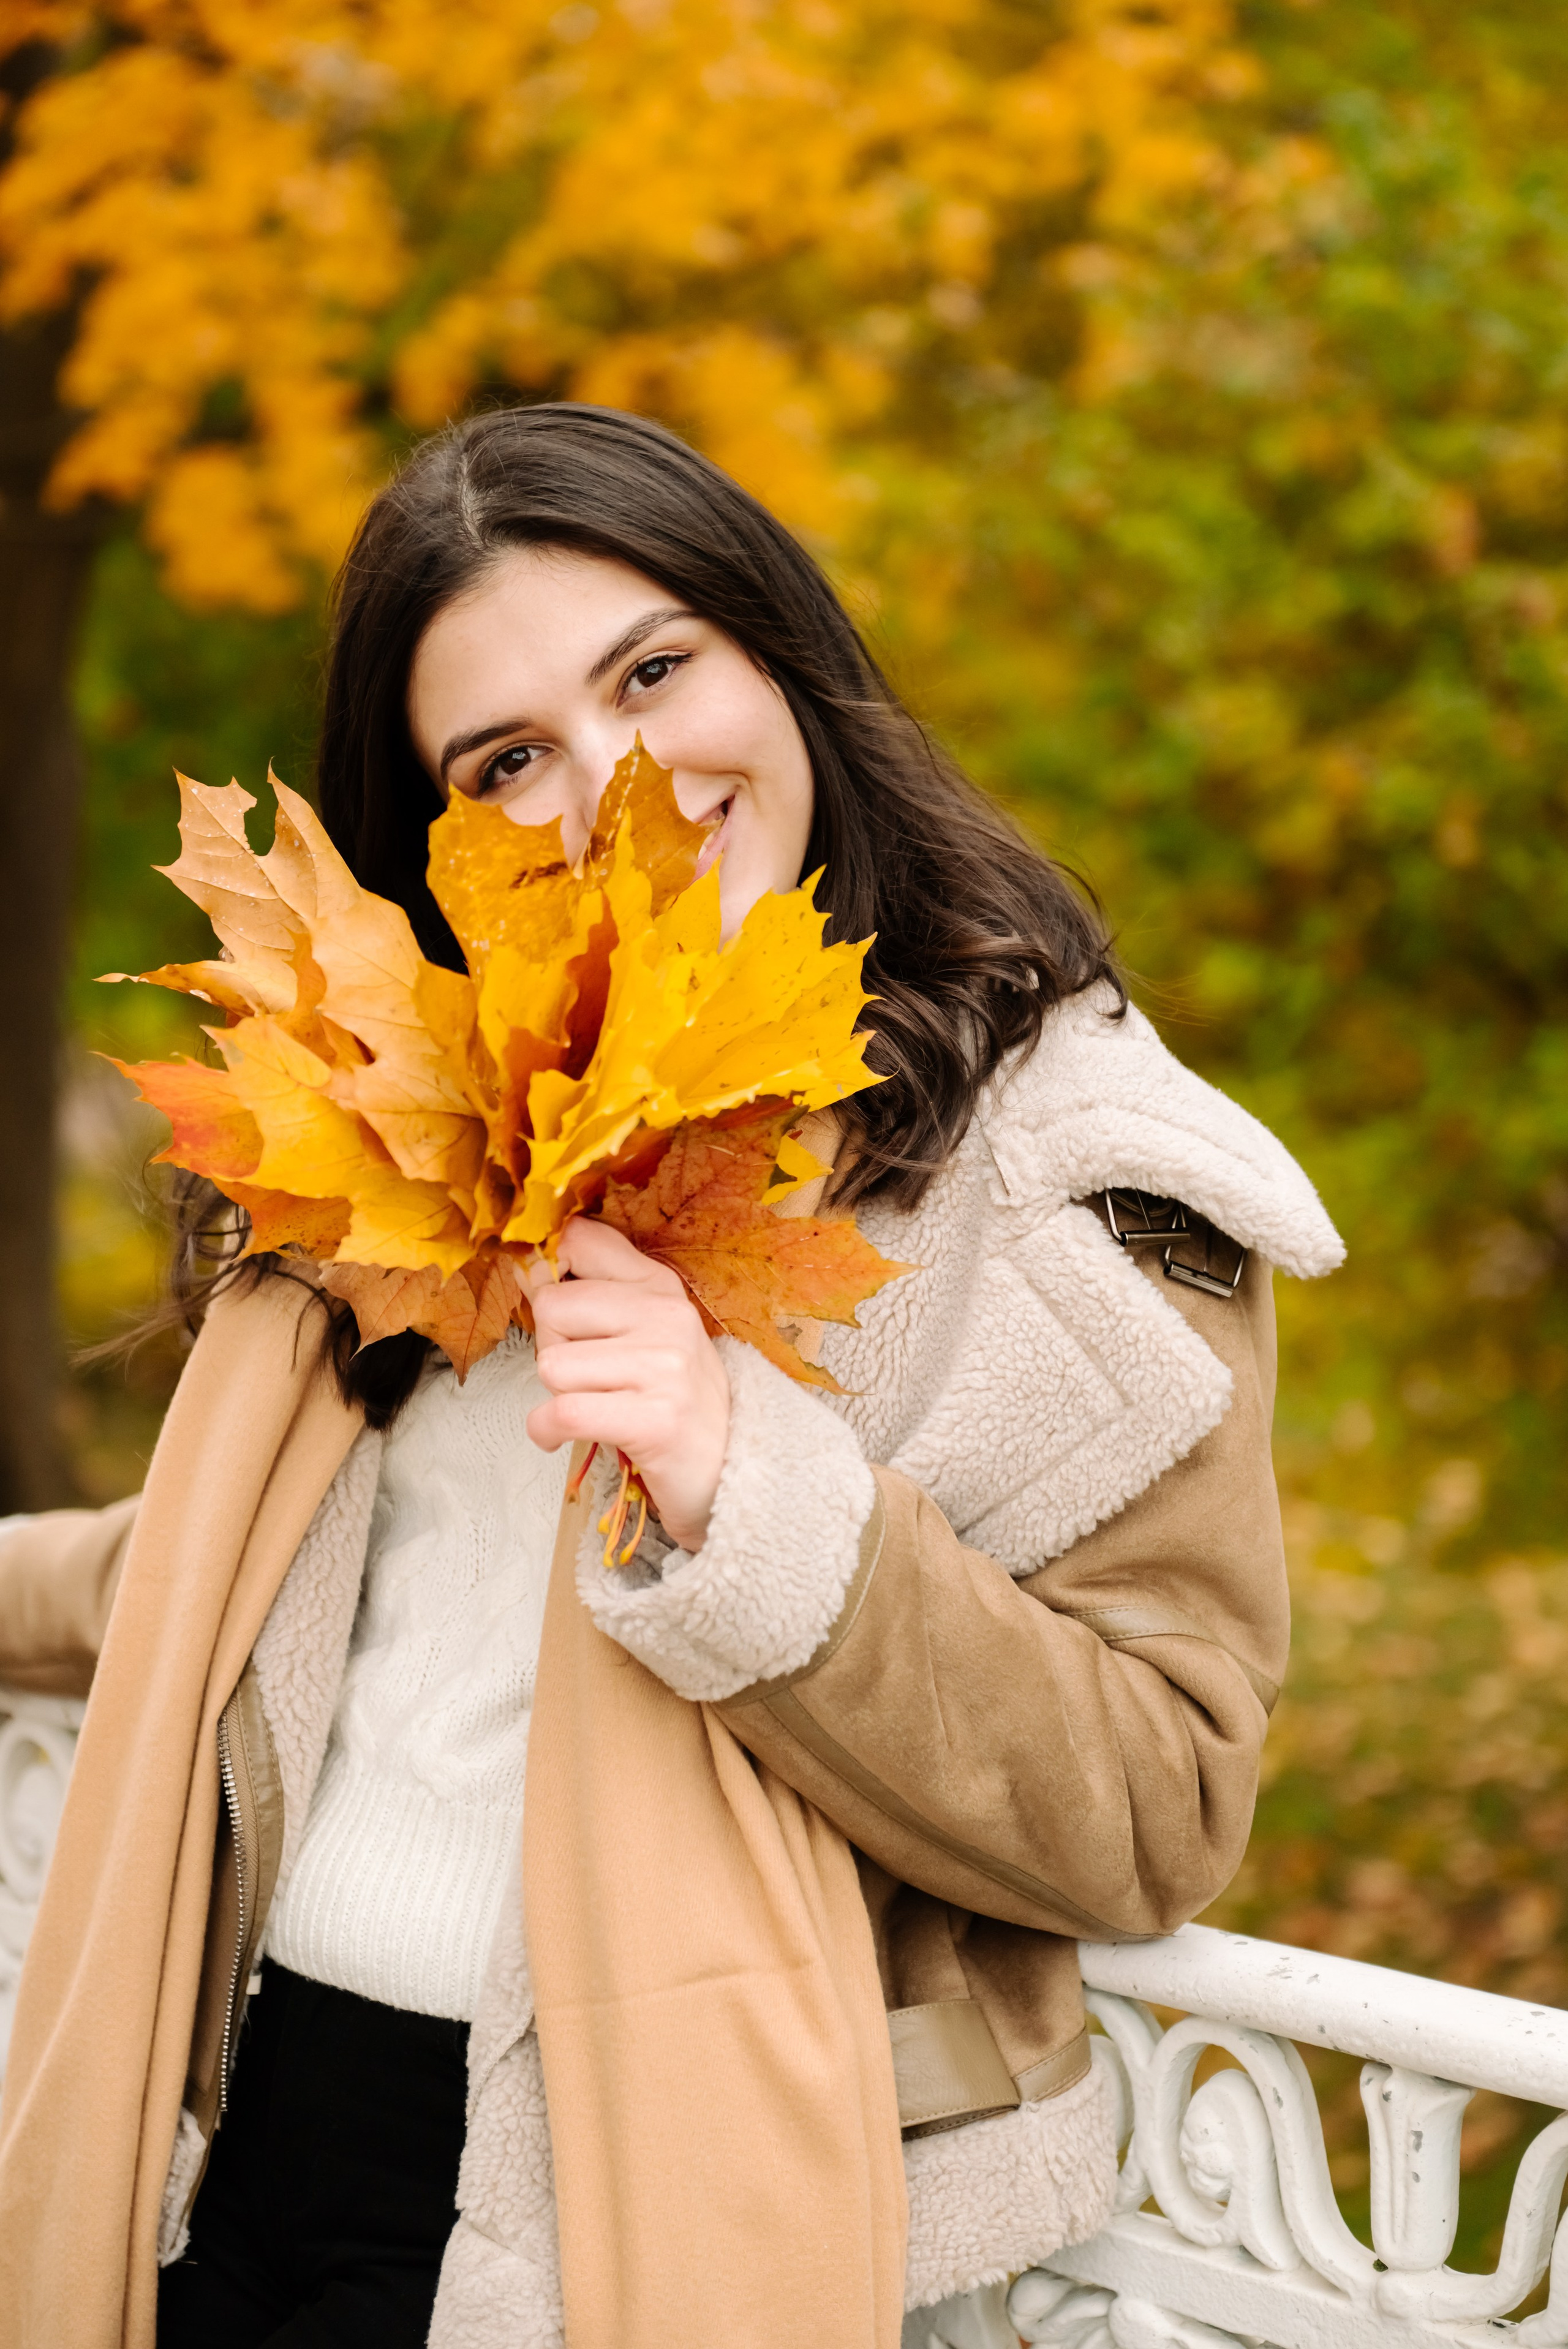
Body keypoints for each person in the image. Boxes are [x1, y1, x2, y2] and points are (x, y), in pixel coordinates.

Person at [0, 404, 1342, 2349]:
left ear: (779, 651)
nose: (621, 781)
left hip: (615, 2202)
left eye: (653, 670)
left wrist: (756, 1494)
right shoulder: (421, 1121)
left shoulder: (1061, 1177)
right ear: (433, 840)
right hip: (234, 2140)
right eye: (508, 758)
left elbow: (1156, 1799)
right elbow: (242, 1577)